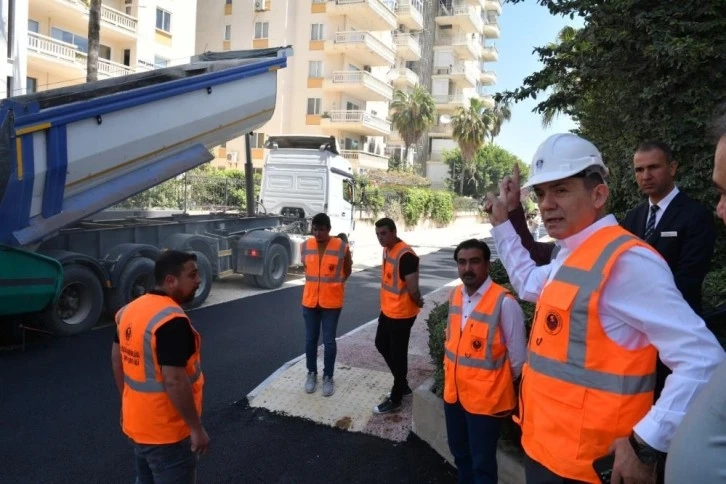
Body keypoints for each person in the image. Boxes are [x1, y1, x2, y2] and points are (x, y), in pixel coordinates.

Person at [486, 133, 725, 484]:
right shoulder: (572, 251)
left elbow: (703, 359)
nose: (546, 204)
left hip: (591, 470)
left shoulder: (628, 261)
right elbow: (527, 283)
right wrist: (502, 224)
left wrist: (646, 443)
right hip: (545, 453)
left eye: (561, 190)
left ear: (598, 194)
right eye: (540, 193)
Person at [664, 105, 726, 483]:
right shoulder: (636, 217)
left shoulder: (693, 216)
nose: (721, 210)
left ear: (673, 168)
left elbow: (687, 278)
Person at [112, 250, 209, 484]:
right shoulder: (172, 321)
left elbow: (117, 359)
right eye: (192, 275)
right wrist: (196, 429)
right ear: (170, 281)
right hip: (168, 433)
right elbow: (174, 380)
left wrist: (129, 402)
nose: (198, 280)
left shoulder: (128, 311)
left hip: (138, 424)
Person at [444, 238, 526, 484]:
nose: (467, 268)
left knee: (483, 466)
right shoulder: (456, 295)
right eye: (462, 262)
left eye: (474, 262)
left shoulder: (504, 303)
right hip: (454, 395)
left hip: (486, 403)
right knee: (461, 456)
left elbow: (518, 360)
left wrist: (491, 382)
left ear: (487, 265)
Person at [372, 217, 424, 414]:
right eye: (377, 234)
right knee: (381, 344)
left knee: (398, 354)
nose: (380, 238)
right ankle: (402, 384)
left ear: (394, 232)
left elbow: (413, 288)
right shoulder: (387, 249)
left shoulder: (406, 256)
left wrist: (418, 300)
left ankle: (396, 398)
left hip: (402, 314)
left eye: (384, 233)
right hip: (388, 310)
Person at [301, 213, 352, 397]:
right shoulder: (305, 246)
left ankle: (328, 376)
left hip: (331, 303)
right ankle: (311, 373)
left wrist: (335, 286)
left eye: (321, 229)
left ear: (328, 229)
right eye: (315, 229)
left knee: (329, 341)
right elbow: (307, 270)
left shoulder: (341, 247)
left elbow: (347, 270)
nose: (317, 233)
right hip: (310, 302)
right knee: (310, 340)